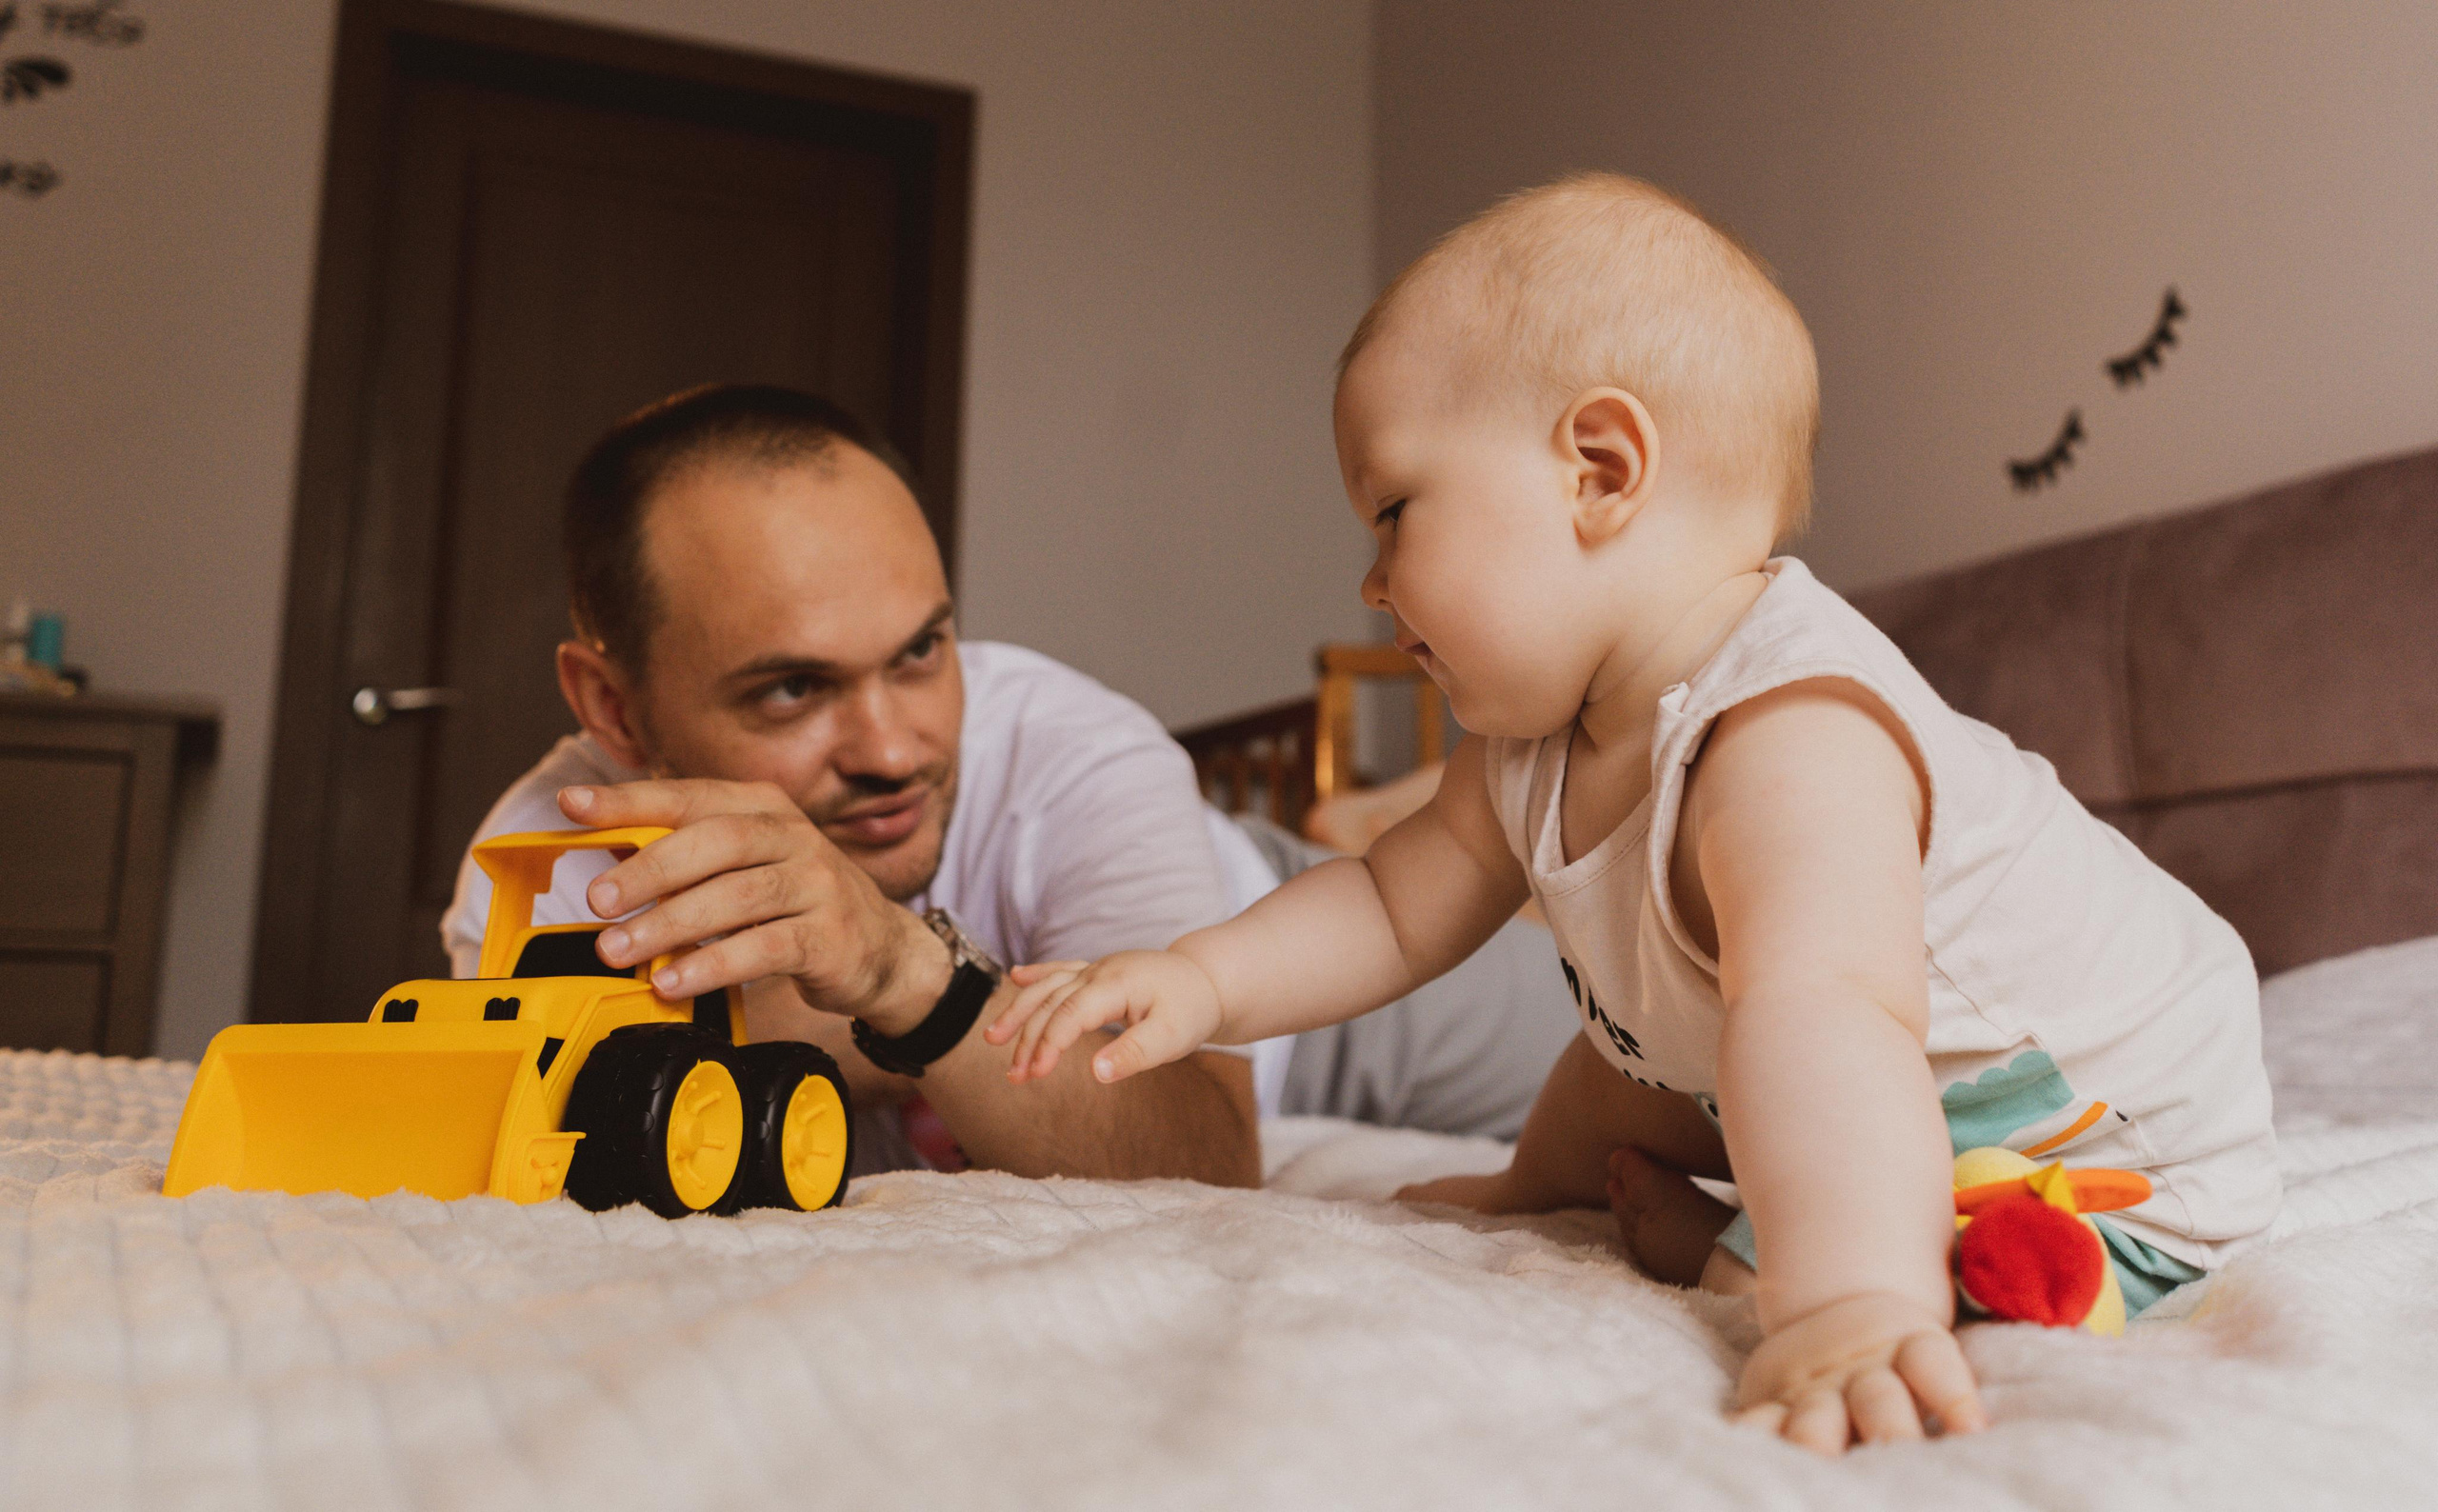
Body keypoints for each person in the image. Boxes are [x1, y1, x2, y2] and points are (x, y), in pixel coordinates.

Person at [988, 174, 2280, 1452]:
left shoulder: (1787, 734)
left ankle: (1780, 1252)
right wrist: (1202, 979)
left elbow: (1834, 1021)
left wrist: (1846, 1306)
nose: (1372, 583)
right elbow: (1388, 904)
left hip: (2094, 1116)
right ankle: (1550, 1184)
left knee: (1810, 1216)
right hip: (1804, 1062)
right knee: (1622, 1054)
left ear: (1599, 470)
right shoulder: (1527, 746)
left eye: (1392, 511)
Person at [442, 385, 1573, 1183]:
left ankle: (1444, 834)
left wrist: (898, 975)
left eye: (919, 651)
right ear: (614, 708)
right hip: (1170, 951)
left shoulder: (1075, 751)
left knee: (1626, 1019)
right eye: (791, 688)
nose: (892, 749)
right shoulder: (540, 875)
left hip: (1310, 969)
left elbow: (1203, 1157)